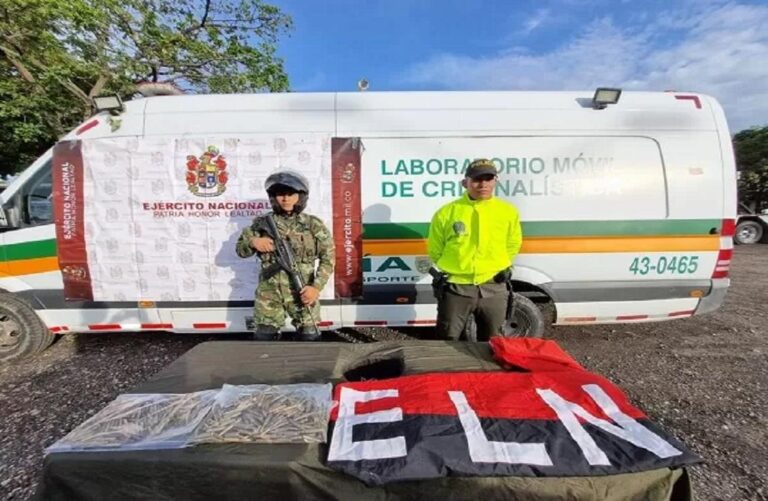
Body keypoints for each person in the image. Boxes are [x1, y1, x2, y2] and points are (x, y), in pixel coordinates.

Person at [427, 158, 523, 341]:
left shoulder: (507, 212)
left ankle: (489, 371)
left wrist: (496, 265)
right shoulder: (447, 212)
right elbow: (435, 249)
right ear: (466, 183)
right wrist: (456, 269)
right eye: (477, 179)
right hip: (456, 288)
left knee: (495, 342)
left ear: (496, 181)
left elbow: (513, 244)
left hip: (494, 287)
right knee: (448, 339)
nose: (483, 184)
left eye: (488, 179)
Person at [236, 169, 334, 341]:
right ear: (274, 197)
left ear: (300, 197)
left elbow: (329, 259)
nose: (286, 199)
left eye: (291, 194)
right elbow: (240, 250)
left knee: (309, 337)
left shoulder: (312, 225)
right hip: (269, 295)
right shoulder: (261, 224)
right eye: (281, 194)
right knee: (264, 339)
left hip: (302, 291)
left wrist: (316, 288)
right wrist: (253, 242)